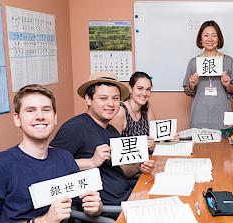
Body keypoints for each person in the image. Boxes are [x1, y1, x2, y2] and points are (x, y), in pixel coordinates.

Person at [0, 84, 102, 223]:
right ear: (17, 119)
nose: (40, 116)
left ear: (55, 117)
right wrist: (43, 221)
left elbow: (85, 204)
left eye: (46, 110)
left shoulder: (65, 158)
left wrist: (95, 207)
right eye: (30, 110)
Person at [50, 72, 155, 209]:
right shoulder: (75, 127)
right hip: (109, 207)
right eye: (103, 98)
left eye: (115, 98)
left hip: (127, 194)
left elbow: (123, 171)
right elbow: (49, 165)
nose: (111, 104)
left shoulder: (111, 130)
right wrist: (91, 162)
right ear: (88, 99)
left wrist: (140, 165)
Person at [182, 20, 233, 134]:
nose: (210, 39)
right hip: (199, 119)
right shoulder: (193, 62)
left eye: (214, 35)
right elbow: (187, 91)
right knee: (199, 151)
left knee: (224, 151)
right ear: (200, 39)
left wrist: (228, 85)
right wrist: (192, 85)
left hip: (223, 120)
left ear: (219, 39)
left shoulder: (228, 61)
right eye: (206, 35)